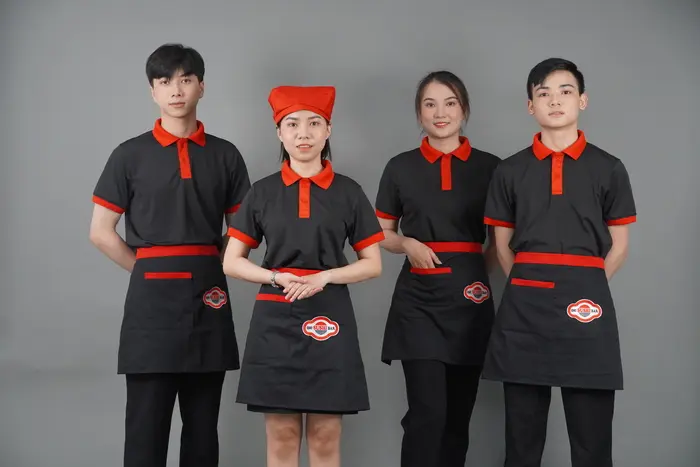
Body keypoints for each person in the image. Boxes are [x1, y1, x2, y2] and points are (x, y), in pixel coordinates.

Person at [89, 43, 250, 467]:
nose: (176, 90)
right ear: (153, 91)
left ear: (201, 87)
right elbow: (101, 232)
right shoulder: (129, 155)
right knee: (146, 427)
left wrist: (213, 263)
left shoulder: (226, 154)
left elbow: (243, 233)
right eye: (165, 82)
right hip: (150, 305)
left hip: (209, 296)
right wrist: (145, 268)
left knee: (203, 428)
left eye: (185, 80)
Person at [482, 58, 637, 467]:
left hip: (587, 308)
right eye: (543, 93)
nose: (555, 101)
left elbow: (620, 246)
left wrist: (585, 287)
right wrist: (530, 285)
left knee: (592, 442)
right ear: (530, 105)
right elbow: (502, 247)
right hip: (524, 310)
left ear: (582, 100)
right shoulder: (509, 170)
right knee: (522, 441)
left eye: (565, 91)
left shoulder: (609, 168)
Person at [222, 85, 384, 467]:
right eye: (292, 124)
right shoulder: (262, 192)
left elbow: (372, 263)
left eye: (314, 123)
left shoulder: (348, 192)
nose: (303, 133)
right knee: (282, 435)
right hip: (275, 317)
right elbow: (232, 262)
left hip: (330, 315)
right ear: (279, 133)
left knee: (325, 435)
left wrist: (324, 278)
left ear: (328, 131)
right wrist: (275, 277)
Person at [375, 70, 501, 467]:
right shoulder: (400, 167)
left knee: (457, 418)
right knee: (427, 414)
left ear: (464, 110)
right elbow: (380, 233)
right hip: (419, 302)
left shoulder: (491, 167)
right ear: (419, 113)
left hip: (470, 301)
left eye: (450, 103)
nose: (440, 113)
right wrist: (407, 244)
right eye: (430, 104)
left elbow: (501, 241)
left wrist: (475, 271)